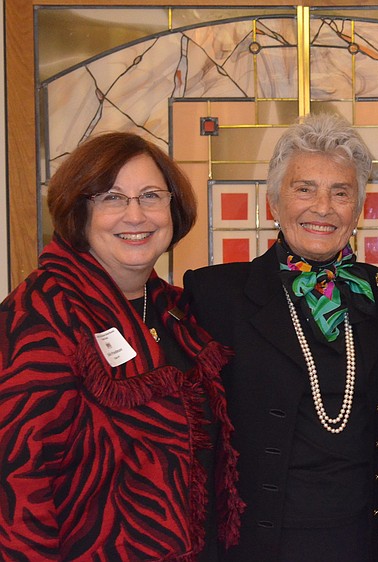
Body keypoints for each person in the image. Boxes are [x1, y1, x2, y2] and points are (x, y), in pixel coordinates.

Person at [0, 132, 243, 560]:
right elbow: (18, 481)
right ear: (80, 211)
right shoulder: (42, 314)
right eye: (111, 198)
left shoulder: (176, 310)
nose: (136, 215)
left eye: (151, 195)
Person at [183, 114, 378, 561]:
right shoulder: (216, 296)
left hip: (364, 541)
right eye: (304, 188)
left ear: (358, 208)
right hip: (259, 544)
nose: (323, 207)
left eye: (341, 192)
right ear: (275, 201)